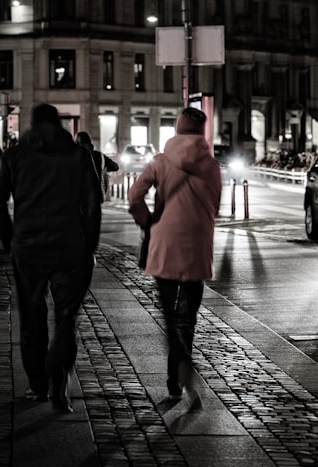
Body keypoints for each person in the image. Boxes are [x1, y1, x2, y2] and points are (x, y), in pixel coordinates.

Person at [0, 103, 102, 413]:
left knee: (32, 315)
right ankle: (59, 377)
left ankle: (38, 384)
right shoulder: (80, 156)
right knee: (66, 317)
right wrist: (89, 245)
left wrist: (10, 240)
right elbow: (93, 205)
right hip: (70, 245)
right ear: (59, 124)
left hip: (29, 247)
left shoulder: (15, 156)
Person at [127, 107, 221, 411]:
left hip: (165, 244)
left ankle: (176, 382)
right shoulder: (212, 166)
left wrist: (148, 222)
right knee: (188, 317)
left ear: (177, 130)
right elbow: (215, 206)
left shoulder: (161, 162)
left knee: (169, 317)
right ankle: (181, 376)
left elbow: (134, 197)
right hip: (198, 246)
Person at [75, 131, 119, 202]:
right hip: (96, 195)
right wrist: (102, 168)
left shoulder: (73, 157)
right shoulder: (99, 156)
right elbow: (115, 167)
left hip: (78, 196)